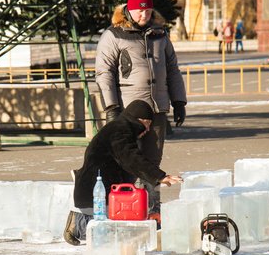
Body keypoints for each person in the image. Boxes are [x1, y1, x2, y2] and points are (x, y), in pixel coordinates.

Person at [95, 0, 187, 217]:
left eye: (147, 11)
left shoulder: (160, 35)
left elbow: (173, 69)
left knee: (153, 161)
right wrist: (112, 108)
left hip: (156, 109)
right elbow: (104, 72)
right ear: (128, 9)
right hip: (129, 111)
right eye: (138, 11)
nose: (143, 15)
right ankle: (123, 207)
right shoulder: (114, 35)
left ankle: (152, 210)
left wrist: (178, 101)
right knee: (127, 159)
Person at [63, 100, 183, 246]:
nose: (148, 129)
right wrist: (160, 177)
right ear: (141, 120)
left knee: (115, 230)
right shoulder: (120, 131)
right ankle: (77, 224)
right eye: (148, 124)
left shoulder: (118, 127)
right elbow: (131, 158)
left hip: (98, 188)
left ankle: (79, 222)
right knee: (112, 234)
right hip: (96, 190)